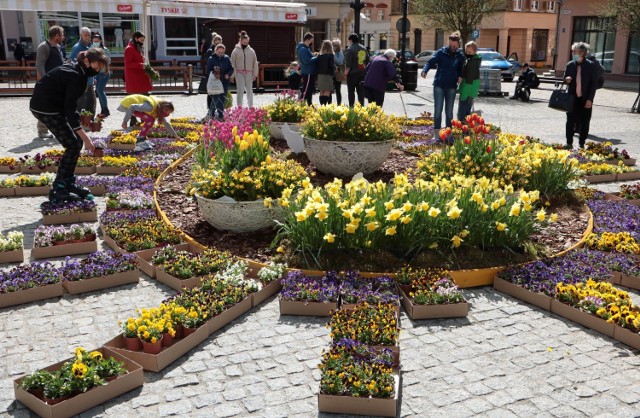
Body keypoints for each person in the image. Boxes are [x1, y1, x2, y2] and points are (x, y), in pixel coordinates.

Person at [30, 48, 107, 203]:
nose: (97, 70)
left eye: (100, 67)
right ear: (86, 61)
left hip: (52, 106)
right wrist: (88, 140)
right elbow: (69, 109)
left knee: (75, 143)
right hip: (46, 109)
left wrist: (81, 126)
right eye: (96, 66)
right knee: (73, 145)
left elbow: (69, 106)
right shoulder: (77, 76)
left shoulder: (79, 72)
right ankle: (58, 188)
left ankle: (68, 182)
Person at [420, 32, 464, 130]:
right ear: (448, 43)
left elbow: (461, 68)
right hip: (439, 84)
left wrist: (460, 76)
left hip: (452, 86)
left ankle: (448, 131)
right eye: (451, 45)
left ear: (458, 45)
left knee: (449, 110)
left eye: (455, 46)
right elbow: (430, 62)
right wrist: (424, 71)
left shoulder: (460, 56)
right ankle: (437, 130)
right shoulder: (441, 52)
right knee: (438, 109)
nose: (453, 47)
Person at [563, 42, 598, 150]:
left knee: (584, 122)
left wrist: (590, 99)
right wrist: (566, 80)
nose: (572, 53)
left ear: (582, 53)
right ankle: (569, 143)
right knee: (570, 121)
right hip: (572, 98)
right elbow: (564, 79)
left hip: (585, 98)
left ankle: (581, 143)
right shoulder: (570, 65)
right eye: (572, 51)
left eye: (574, 51)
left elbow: (593, 84)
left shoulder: (591, 65)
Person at [35, 26, 65, 139]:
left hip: (57, 82)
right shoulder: (44, 47)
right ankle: (42, 130)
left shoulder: (57, 47)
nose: (63, 37)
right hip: (48, 83)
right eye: (62, 34)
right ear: (56, 36)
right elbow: (40, 65)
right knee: (45, 107)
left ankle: (57, 128)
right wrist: (45, 80)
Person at [124, 31, 152, 126]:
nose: (142, 42)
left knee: (143, 99)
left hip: (140, 77)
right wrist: (141, 65)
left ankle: (142, 119)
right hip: (134, 78)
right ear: (136, 38)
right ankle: (133, 119)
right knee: (135, 99)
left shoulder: (137, 47)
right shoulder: (129, 49)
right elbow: (128, 64)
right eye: (141, 39)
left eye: (143, 40)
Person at [69, 27, 96, 119]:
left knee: (91, 102)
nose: (87, 37)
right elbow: (71, 62)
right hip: (82, 80)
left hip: (90, 80)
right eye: (85, 35)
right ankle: (81, 121)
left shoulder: (90, 46)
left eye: (89, 35)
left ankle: (90, 121)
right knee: (82, 102)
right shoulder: (77, 47)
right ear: (81, 35)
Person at [230, 32, 259, 107]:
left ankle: (250, 107)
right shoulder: (235, 51)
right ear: (240, 41)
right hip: (239, 73)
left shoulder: (251, 51)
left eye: (246, 42)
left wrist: (255, 74)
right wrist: (232, 75)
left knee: (249, 90)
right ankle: (239, 108)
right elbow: (232, 63)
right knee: (240, 91)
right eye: (243, 42)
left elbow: (255, 62)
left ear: (248, 41)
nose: (245, 44)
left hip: (249, 73)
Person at [207, 44, 234, 120]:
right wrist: (215, 74)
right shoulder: (211, 59)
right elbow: (208, 70)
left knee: (222, 99)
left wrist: (228, 75)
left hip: (224, 82)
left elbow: (231, 69)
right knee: (215, 99)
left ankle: (220, 115)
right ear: (215, 51)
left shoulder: (226, 58)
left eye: (222, 52)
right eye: (219, 52)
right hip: (215, 82)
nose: (220, 54)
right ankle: (211, 114)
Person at [457, 41, 482, 120]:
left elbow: (469, 78)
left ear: (475, 51)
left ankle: (461, 126)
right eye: (466, 51)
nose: (467, 53)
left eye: (470, 52)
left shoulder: (472, 62)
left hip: (467, 88)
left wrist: (464, 93)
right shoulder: (472, 60)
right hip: (470, 88)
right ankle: (465, 126)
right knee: (467, 109)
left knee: (462, 111)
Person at [344, 33, 369, 107]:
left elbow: (348, 65)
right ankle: (361, 108)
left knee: (351, 92)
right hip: (362, 73)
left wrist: (345, 74)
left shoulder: (349, 49)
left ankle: (351, 107)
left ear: (351, 40)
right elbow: (367, 61)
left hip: (352, 74)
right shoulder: (364, 48)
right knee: (360, 92)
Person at [92, 33, 111, 117]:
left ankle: (105, 109)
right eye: (94, 41)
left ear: (100, 41)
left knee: (100, 90)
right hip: (95, 73)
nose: (95, 42)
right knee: (98, 91)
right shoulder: (91, 49)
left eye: (97, 41)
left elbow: (108, 61)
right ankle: (103, 109)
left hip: (104, 73)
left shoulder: (105, 50)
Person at [203, 34, 223, 110]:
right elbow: (208, 65)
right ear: (214, 42)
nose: (218, 44)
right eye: (216, 42)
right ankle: (210, 110)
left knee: (219, 93)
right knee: (211, 93)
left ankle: (219, 110)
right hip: (212, 75)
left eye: (219, 42)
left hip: (220, 75)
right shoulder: (210, 51)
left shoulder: (222, 50)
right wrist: (214, 73)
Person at [296, 32, 317, 105]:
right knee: (306, 89)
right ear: (307, 40)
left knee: (309, 89)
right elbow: (306, 61)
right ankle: (301, 105)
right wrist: (316, 58)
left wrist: (313, 56)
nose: (312, 42)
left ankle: (309, 104)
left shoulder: (306, 48)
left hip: (310, 72)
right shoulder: (303, 49)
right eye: (311, 40)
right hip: (307, 72)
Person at [316, 40, 336, 105]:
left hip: (320, 75)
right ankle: (324, 105)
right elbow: (331, 66)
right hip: (328, 75)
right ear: (330, 47)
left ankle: (322, 106)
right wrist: (335, 69)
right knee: (328, 91)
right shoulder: (331, 55)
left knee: (321, 91)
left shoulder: (319, 55)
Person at [332, 39, 345, 105]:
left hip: (338, 74)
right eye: (333, 45)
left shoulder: (340, 52)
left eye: (335, 45)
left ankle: (339, 104)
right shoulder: (330, 52)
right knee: (330, 90)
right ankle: (329, 104)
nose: (333, 47)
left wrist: (333, 55)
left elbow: (340, 62)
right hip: (331, 73)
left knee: (337, 90)